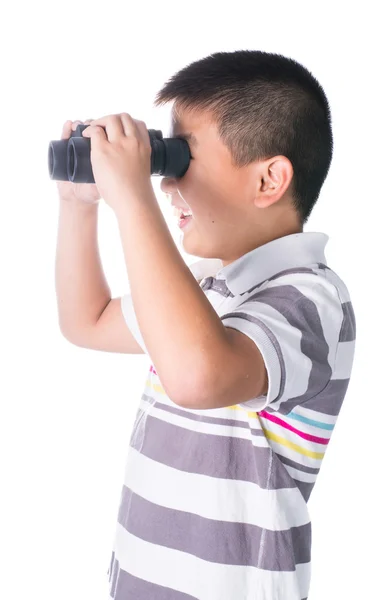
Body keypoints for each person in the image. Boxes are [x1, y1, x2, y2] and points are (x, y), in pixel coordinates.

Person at [56, 50, 356, 600]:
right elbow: (88, 321)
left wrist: (133, 198)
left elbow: (199, 376)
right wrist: (81, 206)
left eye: (180, 161)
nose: (168, 185)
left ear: (269, 179)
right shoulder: (203, 289)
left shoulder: (312, 298)